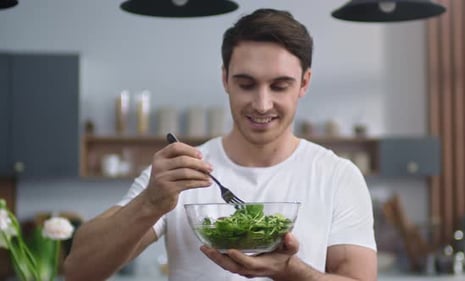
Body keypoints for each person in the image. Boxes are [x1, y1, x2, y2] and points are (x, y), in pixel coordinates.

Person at [64, 8, 377, 281]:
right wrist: (149, 203)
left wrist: (288, 271)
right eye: (246, 84)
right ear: (225, 79)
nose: (262, 103)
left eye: (279, 86)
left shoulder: (337, 176)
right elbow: (79, 271)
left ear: (304, 83)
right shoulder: (179, 172)